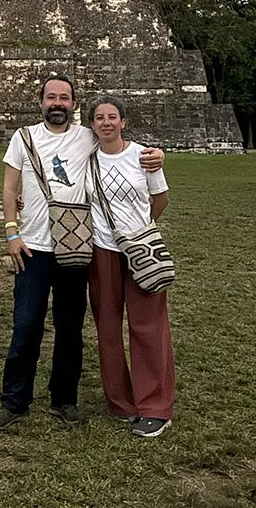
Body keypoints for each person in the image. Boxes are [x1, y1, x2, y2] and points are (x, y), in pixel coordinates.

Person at [0, 76, 163, 431]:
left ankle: (64, 399)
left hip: (76, 248)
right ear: (41, 102)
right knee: (26, 326)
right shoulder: (23, 138)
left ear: (73, 104)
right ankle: (15, 401)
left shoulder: (87, 136)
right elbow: (8, 186)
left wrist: (157, 153)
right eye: (51, 97)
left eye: (64, 98)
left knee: (69, 328)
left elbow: (121, 143)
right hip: (32, 247)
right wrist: (10, 233)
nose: (57, 103)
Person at [88, 95, 175, 438]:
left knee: (148, 326)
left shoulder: (144, 157)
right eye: (99, 118)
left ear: (123, 122)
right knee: (107, 327)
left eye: (112, 117)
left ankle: (154, 406)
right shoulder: (87, 159)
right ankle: (120, 402)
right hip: (102, 250)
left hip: (140, 250)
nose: (106, 123)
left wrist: (139, 232)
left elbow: (161, 198)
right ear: (92, 125)